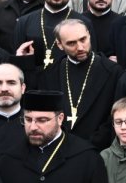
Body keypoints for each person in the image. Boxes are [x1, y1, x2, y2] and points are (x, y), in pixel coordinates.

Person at [32, 19, 120, 150]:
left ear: (89, 35)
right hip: (58, 149)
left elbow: (114, 115)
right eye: (71, 43)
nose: (80, 47)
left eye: (83, 39)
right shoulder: (50, 74)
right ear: (60, 45)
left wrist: (91, 145)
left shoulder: (112, 72)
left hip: (97, 149)